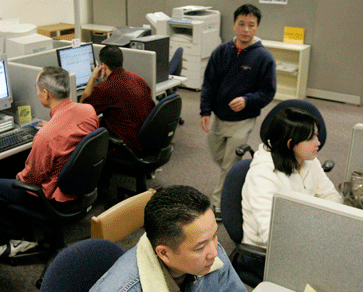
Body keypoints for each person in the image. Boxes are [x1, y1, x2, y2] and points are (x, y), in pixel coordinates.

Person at [0, 66, 99, 258]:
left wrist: (17, 176)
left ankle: (21, 239)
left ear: (46, 94)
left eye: (38, 89)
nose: (37, 93)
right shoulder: (88, 111)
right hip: (83, 188)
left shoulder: (46, 136)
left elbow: (31, 179)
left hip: (55, 198)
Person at [240, 108, 343, 277]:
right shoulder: (263, 175)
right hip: (267, 255)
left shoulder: (309, 160)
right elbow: (271, 235)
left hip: (303, 240)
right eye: (311, 138)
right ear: (289, 143)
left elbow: (332, 196)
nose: (318, 142)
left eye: (317, 135)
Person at [90, 185, 246, 292]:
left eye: (215, 235)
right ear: (164, 253)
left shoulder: (210, 251)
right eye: (200, 247)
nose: (215, 252)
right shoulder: (122, 288)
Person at [200, 4, 277, 220]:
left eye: (251, 25)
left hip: (242, 119)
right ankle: (242, 179)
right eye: (241, 24)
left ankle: (219, 205)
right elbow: (209, 84)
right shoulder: (221, 52)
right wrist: (205, 110)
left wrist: (247, 100)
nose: (245, 29)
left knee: (229, 164)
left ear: (256, 27)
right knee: (219, 156)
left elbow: (268, 92)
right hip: (218, 116)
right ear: (234, 25)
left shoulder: (263, 57)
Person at [80, 45, 155, 153]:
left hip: (129, 147)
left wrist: (92, 78)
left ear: (103, 67)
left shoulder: (104, 88)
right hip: (147, 140)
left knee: (88, 127)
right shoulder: (137, 78)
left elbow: (82, 110)